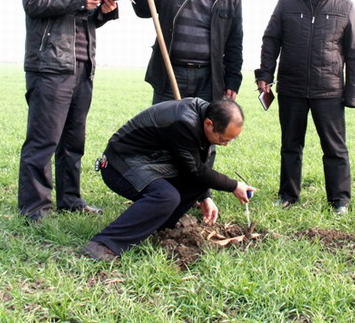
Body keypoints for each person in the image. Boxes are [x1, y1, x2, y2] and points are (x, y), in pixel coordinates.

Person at [18, 0, 119, 222]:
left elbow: (82, 20)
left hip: (83, 66)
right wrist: (78, 0)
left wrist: (103, 12)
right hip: (50, 66)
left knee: (73, 142)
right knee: (44, 140)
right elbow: (34, 4)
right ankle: (35, 207)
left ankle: (71, 200)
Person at [81, 98, 255, 261]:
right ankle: (104, 244)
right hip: (121, 163)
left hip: (153, 161)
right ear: (209, 124)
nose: (224, 144)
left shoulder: (205, 117)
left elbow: (197, 168)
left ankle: (161, 226)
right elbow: (196, 170)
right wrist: (234, 186)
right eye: (223, 139)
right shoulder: (183, 123)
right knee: (165, 196)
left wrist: (205, 197)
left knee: (197, 184)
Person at [255, 0, 355, 214]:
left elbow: (354, 52)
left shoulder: (345, 6)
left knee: (335, 148)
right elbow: (271, 40)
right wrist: (265, 74)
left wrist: (352, 95)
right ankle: (288, 196)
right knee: (290, 145)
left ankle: (339, 201)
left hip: (329, 91)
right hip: (291, 87)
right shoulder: (286, 2)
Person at [130, 0, 243, 103]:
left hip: (209, 80)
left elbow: (234, 44)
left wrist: (233, 80)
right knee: (167, 118)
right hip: (170, 74)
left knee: (202, 120)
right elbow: (143, 10)